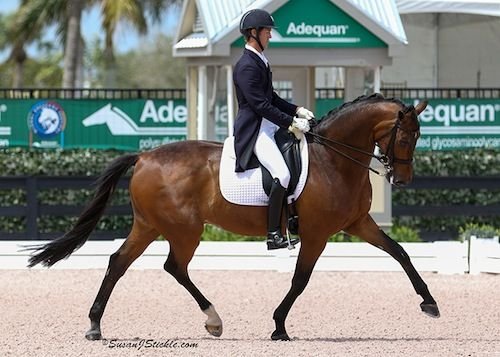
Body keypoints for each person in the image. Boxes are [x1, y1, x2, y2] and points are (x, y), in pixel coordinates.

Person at [233, 9, 315, 250]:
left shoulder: (260, 60)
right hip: (255, 130)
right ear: (253, 33)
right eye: (267, 30)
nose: (270, 34)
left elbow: (272, 97)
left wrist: (297, 109)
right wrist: (289, 123)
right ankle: (273, 234)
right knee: (282, 173)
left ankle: (293, 218)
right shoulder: (247, 65)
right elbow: (259, 104)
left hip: (268, 125)